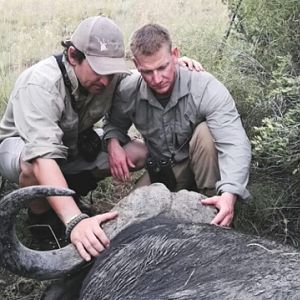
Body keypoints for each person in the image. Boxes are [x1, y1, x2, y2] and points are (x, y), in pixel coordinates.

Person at [0, 16, 202, 261]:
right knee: (31, 166)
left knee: (139, 151)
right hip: (22, 150)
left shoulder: (111, 76)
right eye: (98, 70)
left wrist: (175, 66)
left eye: (110, 71)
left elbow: (144, 77)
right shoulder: (40, 84)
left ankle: (72, 192)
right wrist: (76, 222)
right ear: (74, 56)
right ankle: (42, 222)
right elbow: (42, 157)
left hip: (70, 144)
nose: (106, 81)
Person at [103, 23, 252, 227]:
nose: (157, 79)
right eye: (147, 71)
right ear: (137, 65)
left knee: (206, 133)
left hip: (200, 163)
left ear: (175, 54)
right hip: (162, 169)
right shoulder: (128, 88)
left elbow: (234, 142)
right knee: (126, 221)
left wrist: (230, 193)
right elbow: (114, 123)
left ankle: (214, 206)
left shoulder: (206, 87)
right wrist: (112, 143)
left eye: (163, 67)